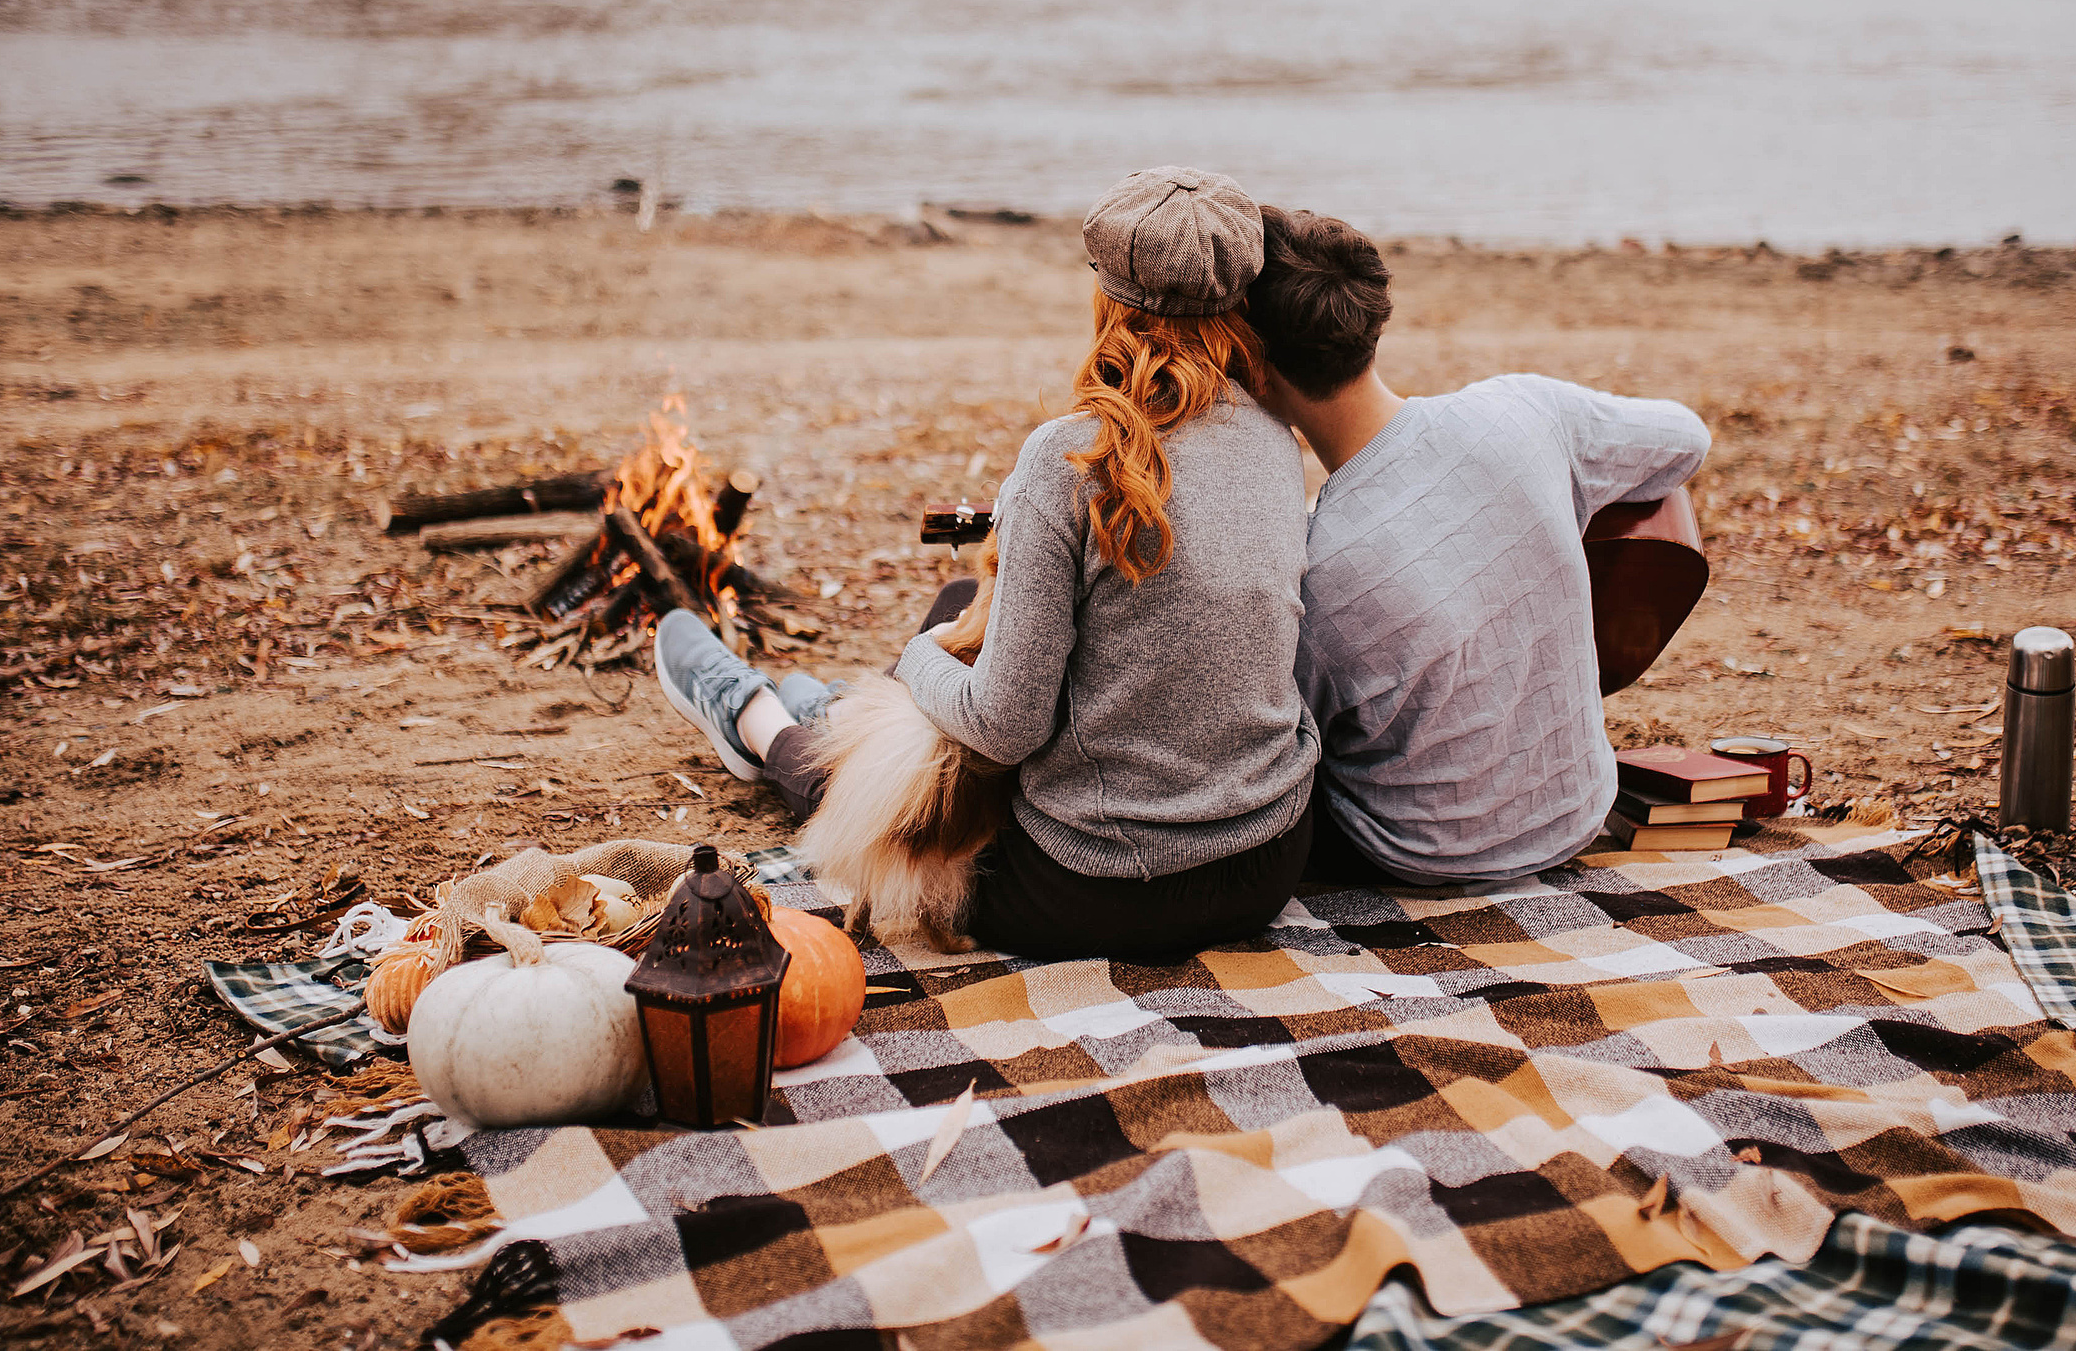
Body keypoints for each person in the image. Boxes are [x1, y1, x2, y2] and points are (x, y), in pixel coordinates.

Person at [655, 166, 1321, 960]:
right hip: (1263, 863)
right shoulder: (1275, 440)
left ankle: (756, 718)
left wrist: (913, 665)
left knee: (901, 780)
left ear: (1107, 298)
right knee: (964, 599)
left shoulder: (1066, 456)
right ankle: (824, 705)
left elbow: (1005, 729)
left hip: (1095, 890)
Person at [1241, 207, 1711, 886]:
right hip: (1574, 813)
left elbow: (1283, 740)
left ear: (1257, 373)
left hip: (1417, 857)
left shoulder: (1318, 564)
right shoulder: (1524, 412)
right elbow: (1686, 439)